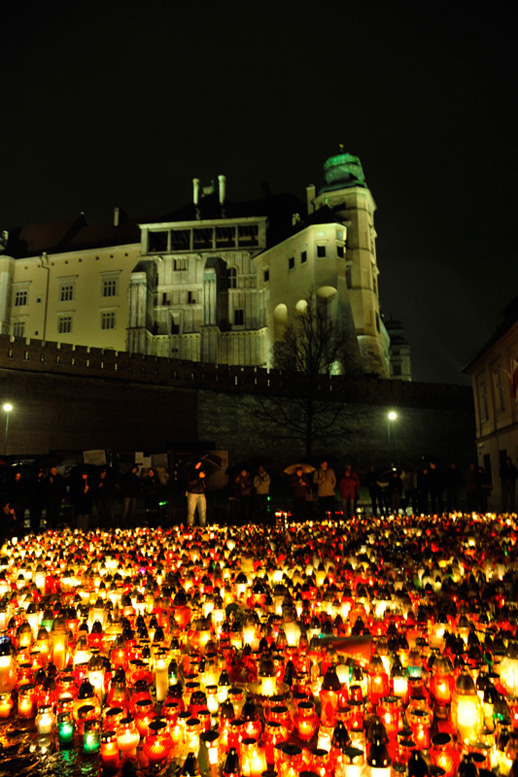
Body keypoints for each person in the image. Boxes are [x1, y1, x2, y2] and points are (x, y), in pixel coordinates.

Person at [186, 460, 207, 527]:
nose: (199, 465)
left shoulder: (202, 471)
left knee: (203, 512)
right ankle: (190, 527)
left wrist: (204, 478)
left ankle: (203, 527)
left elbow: (205, 483)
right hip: (193, 494)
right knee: (191, 513)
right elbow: (190, 483)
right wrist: (198, 477)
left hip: (201, 493)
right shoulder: (190, 472)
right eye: (198, 464)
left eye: (200, 464)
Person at [27, 468, 46, 534]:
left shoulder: (42, 480)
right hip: (34, 502)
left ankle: (36, 529)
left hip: (39, 502)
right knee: (33, 517)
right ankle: (33, 529)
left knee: (38, 516)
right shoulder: (32, 481)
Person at [9, 470, 27, 535]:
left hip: (21, 504)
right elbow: (11, 495)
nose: (18, 477)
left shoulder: (21, 483)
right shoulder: (12, 484)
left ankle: (21, 533)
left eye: (19, 476)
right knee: (16, 520)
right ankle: (16, 533)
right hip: (15, 504)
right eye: (17, 476)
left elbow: (23, 493)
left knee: (21, 519)